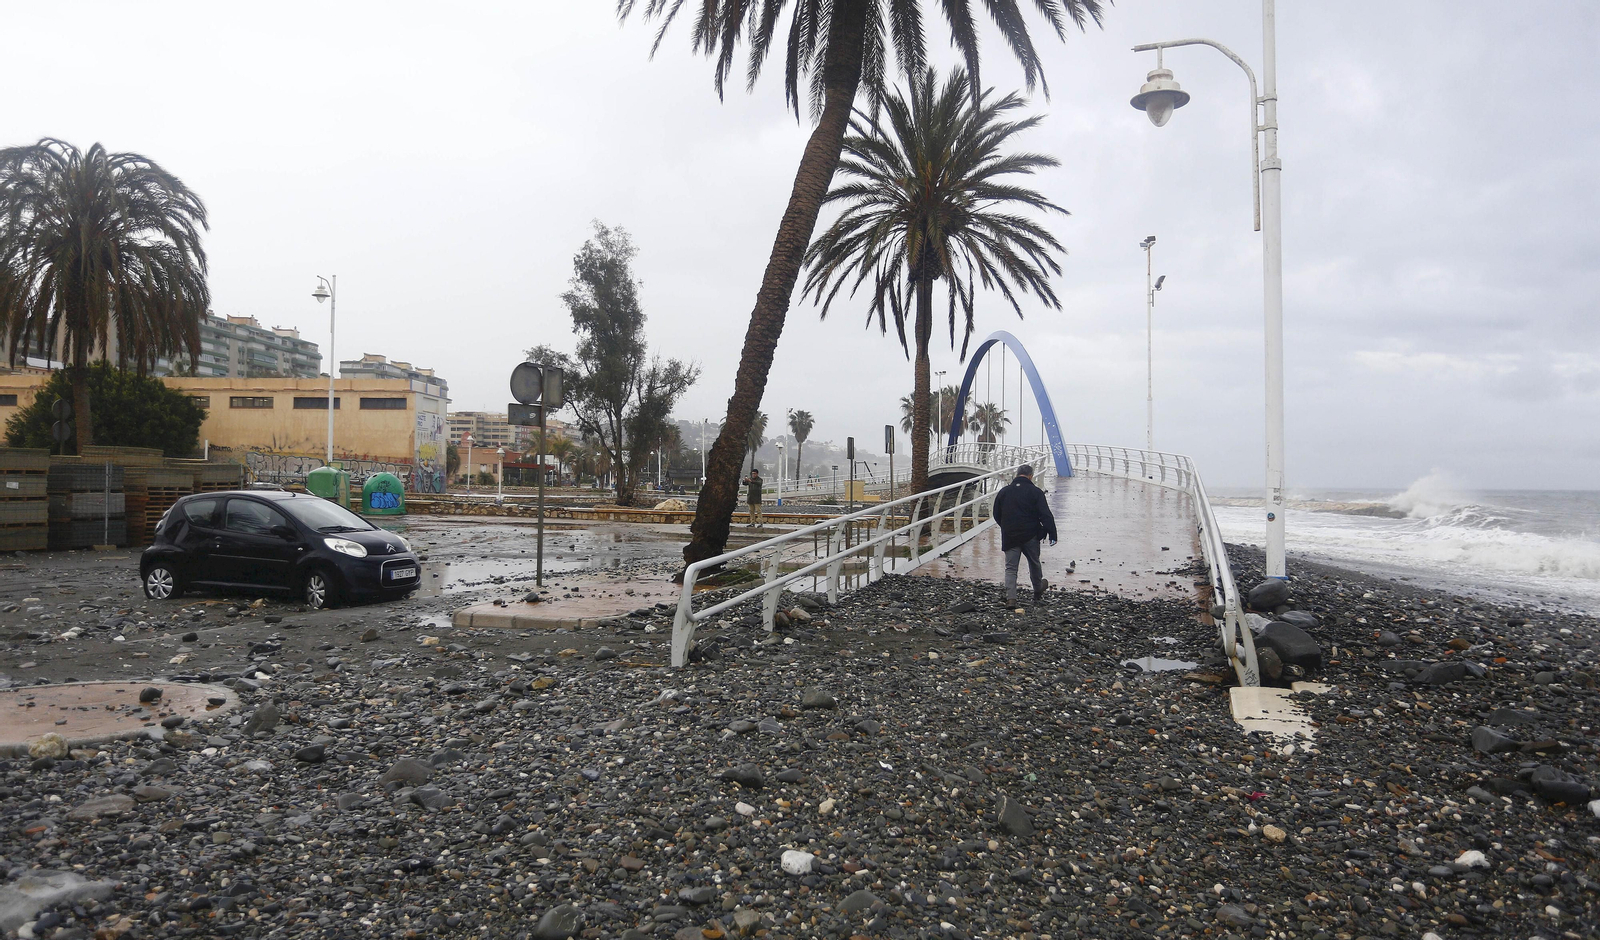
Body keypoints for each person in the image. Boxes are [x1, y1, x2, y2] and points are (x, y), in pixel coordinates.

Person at [992, 464, 1057, 605]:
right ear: (1031, 476)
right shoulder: (1035, 492)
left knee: (1011, 568)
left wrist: (1006, 527)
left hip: (1010, 536)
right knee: (1034, 563)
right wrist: (1052, 534)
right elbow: (1045, 515)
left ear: (1017, 475)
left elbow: (996, 514)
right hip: (1031, 535)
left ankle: (1011, 598)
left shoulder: (1004, 492)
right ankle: (1037, 590)